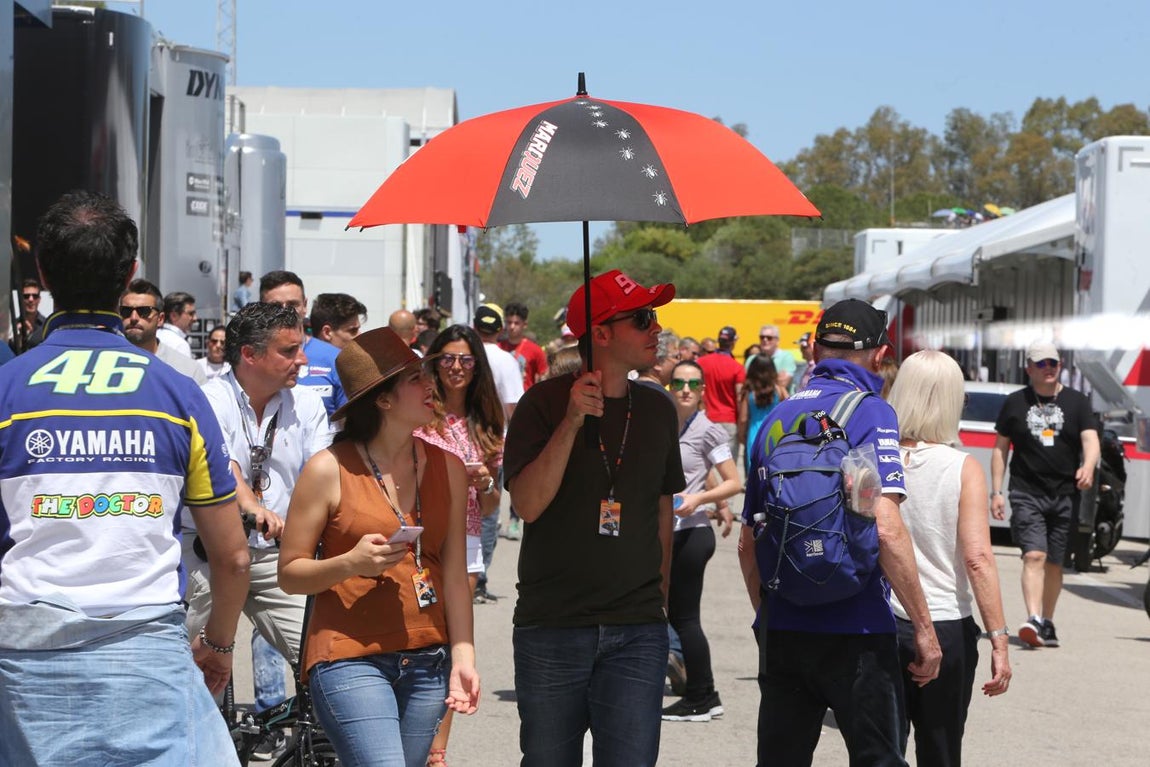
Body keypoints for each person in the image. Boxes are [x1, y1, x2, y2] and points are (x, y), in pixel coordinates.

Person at [0, 191, 250, 765]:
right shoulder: (177, 394)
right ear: (131, 272)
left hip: (25, 663)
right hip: (149, 658)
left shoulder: (9, 390)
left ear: (43, 270)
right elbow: (232, 558)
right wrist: (217, 644)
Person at [738, 298, 941, 767]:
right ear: (879, 355)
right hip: (859, 625)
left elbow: (748, 542)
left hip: (785, 625)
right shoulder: (871, 413)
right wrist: (925, 631)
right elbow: (885, 529)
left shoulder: (776, 418)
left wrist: (768, 615)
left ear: (814, 350)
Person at [504, 269, 685, 766]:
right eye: (643, 319)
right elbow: (527, 505)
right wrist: (571, 421)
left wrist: (659, 603)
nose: (656, 329)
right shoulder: (541, 406)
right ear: (600, 334)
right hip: (553, 627)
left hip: (638, 628)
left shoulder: (658, 409)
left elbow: (662, 509)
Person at [278, 328, 479, 767]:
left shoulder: (449, 467)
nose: (432, 385)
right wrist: (349, 562)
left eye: (426, 374)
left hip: (429, 658)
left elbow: (455, 576)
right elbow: (289, 573)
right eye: (414, 379)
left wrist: (464, 654)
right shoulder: (327, 469)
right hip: (348, 656)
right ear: (383, 400)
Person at [184, 301, 333, 758]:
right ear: (249, 354)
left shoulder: (306, 403)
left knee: (325, 659)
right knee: (188, 675)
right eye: (290, 351)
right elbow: (221, 466)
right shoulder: (208, 398)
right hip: (210, 557)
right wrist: (253, 506)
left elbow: (320, 471)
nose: (303, 360)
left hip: (277, 559)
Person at [887, 350, 1012, 765]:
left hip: (881, 618)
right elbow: (977, 558)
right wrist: (999, 639)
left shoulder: (876, 457)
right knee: (940, 751)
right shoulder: (962, 468)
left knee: (880, 748)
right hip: (944, 622)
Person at [415, 324, 504, 765]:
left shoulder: (486, 422)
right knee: (415, 636)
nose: (455, 367)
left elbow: (490, 508)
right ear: (434, 362)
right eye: (447, 358)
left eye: (465, 360)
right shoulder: (420, 410)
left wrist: (485, 481)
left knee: (452, 640)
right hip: (423, 537)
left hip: (466, 539)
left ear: (477, 367)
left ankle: (437, 749)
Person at [990, 341, 1099, 648]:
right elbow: (1000, 450)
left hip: (1066, 493)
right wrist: (996, 492)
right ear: (1029, 369)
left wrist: (1088, 466)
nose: (1048, 367)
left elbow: (1090, 440)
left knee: (1054, 562)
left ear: (1060, 365)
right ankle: (1034, 618)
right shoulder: (1015, 402)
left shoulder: (1077, 402)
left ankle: (1047, 623)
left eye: (1053, 362)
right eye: (1041, 363)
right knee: (1034, 555)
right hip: (1026, 491)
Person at [660, 359, 740, 723]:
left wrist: (700, 501)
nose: (686, 390)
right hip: (664, 533)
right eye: (679, 383)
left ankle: (702, 695)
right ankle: (699, 693)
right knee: (669, 614)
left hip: (691, 534)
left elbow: (733, 481)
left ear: (704, 390)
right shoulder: (661, 423)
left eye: (693, 384)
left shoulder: (708, 430)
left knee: (685, 618)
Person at [473, 304, 524, 555]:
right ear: (500, 330)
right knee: (488, 508)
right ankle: (479, 577)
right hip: (494, 444)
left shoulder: (463, 355)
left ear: (474, 326)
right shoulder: (507, 361)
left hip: (458, 442)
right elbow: (513, 407)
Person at [261, 270, 347, 418]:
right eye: (275, 306)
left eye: (292, 304)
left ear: (305, 305)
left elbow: (349, 423)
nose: (285, 312)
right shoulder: (251, 360)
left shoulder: (335, 359)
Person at [120, 278, 207, 384]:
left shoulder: (188, 371)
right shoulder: (103, 363)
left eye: (144, 311)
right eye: (126, 311)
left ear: (160, 319)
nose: (133, 317)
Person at [696, 325, 745, 462]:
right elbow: (739, 398)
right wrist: (742, 427)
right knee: (727, 469)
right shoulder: (737, 367)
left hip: (704, 419)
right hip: (728, 422)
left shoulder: (700, 363)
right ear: (734, 342)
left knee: (706, 468)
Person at [736, 353, 787, 475]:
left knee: (755, 474)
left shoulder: (749, 392)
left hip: (754, 434)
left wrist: (741, 436)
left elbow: (743, 419)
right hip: (775, 434)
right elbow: (790, 407)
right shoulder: (779, 390)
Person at [499, 301, 549, 389]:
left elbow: (545, 375)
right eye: (509, 322)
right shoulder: (498, 348)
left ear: (524, 324)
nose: (512, 327)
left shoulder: (535, 350)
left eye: (516, 323)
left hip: (526, 399)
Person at [10, 277, 47, 353]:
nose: (31, 299)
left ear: (39, 299)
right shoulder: (12, 326)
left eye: (35, 296)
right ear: (21, 299)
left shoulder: (46, 325)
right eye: (26, 296)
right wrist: (19, 337)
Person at [156, 290, 197, 358]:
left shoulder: (154, 335)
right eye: (191, 314)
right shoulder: (180, 344)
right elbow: (184, 369)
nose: (195, 318)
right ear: (174, 316)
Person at [756, 323, 797, 391]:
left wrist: (757, 380)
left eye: (769, 338)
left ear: (777, 340)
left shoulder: (786, 357)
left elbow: (783, 383)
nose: (765, 340)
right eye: (762, 337)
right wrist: (776, 378)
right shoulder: (752, 359)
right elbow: (746, 383)